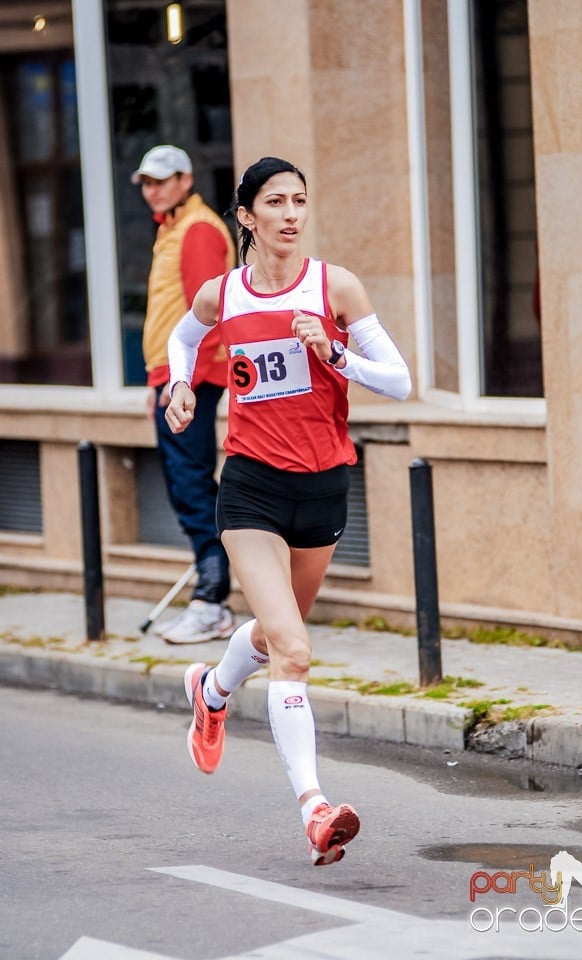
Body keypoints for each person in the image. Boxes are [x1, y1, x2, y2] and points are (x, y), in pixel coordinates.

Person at [165, 156, 411, 865]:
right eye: (275, 202)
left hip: (323, 486)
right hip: (249, 487)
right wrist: (182, 386)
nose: (292, 214)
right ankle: (314, 809)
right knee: (296, 651)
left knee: (276, 639)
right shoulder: (225, 295)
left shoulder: (335, 286)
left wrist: (335, 352)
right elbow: (184, 338)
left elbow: (398, 381)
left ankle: (210, 692)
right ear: (246, 216)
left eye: (300, 200)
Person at [132, 144, 236, 644]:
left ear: (185, 178)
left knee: (191, 484)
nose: (153, 189)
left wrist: (182, 387)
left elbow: (207, 313)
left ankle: (212, 599)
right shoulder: (173, 228)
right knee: (184, 482)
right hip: (171, 379)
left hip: (189, 382)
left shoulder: (196, 230)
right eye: (147, 182)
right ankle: (211, 591)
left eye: (161, 180)